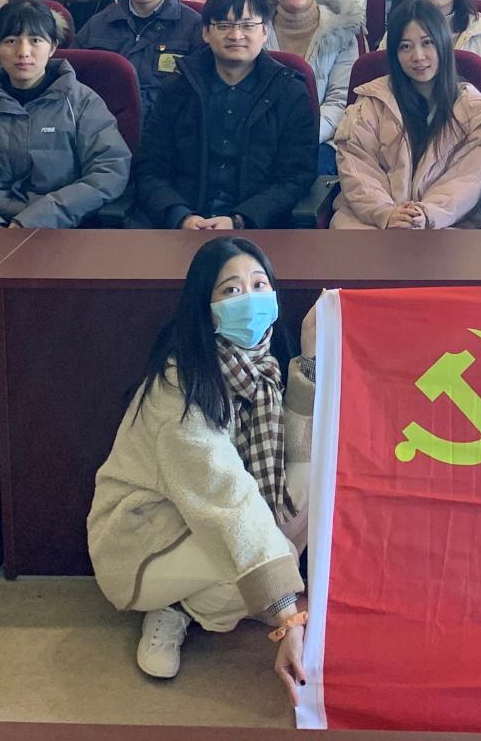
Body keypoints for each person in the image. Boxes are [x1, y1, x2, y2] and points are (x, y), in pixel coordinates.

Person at [88, 237, 313, 690]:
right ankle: (173, 608)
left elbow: (298, 451)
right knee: (268, 560)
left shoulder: (263, 365)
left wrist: (308, 358)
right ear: (204, 308)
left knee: (313, 479)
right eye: (231, 290)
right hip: (146, 537)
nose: (249, 299)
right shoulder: (179, 387)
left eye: (259, 284)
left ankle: (202, 601)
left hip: (205, 516)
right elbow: (226, 499)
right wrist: (288, 615)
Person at [0, 0, 130, 229]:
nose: (23, 52)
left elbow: (110, 170)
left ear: (52, 47)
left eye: (35, 40)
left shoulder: (82, 103)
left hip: (61, 229)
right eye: (11, 41)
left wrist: (36, 220)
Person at [133, 0, 318, 231]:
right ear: (206, 33)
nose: (236, 35)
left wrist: (240, 220)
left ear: (264, 32)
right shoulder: (178, 87)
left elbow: (296, 177)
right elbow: (150, 169)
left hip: (259, 230)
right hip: (181, 227)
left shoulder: (289, 92)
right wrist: (180, 216)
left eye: (247, 25)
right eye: (223, 26)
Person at [331, 0, 481, 230]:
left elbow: (468, 181)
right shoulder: (371, 103)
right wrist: (387, 213)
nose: (418, 56)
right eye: (405, 47)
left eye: (427, 43)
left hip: (445, 224)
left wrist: (426, 214)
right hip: (371, 220)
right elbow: (357, 167)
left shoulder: (476, 111)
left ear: (443, 44)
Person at [72, 0, 204, 118]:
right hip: (106, 123)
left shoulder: (194, 26)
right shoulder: (98, 24)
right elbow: (73, 80)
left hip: (168, 124)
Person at [262, 0, 361, 148]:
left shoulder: (341, 31)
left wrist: (303, 135)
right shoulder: (254, 27)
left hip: (318, 137)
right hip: (261, 133)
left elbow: (339, 101)